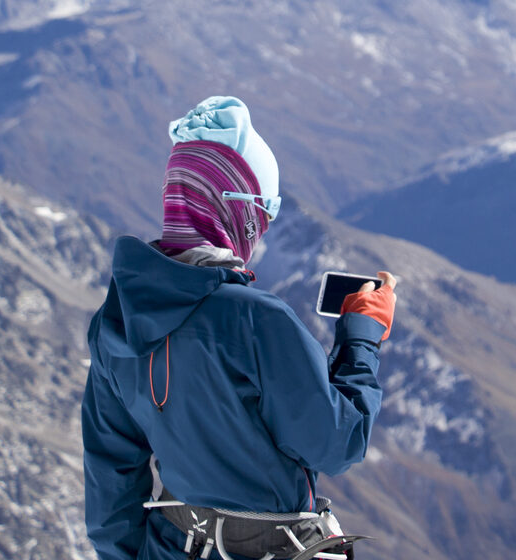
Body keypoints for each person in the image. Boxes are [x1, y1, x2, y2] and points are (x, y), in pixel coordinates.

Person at [83, 96, 397, 559]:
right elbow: (336, 443)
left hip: (171, 546)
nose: (261, 232)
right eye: (263, 214)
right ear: (236, 208)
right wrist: (362, 336)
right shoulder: (257, 320)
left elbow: (110, 485)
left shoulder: (117, 320)